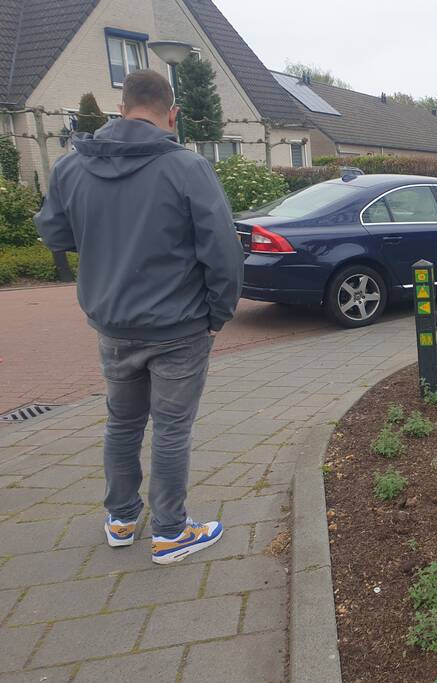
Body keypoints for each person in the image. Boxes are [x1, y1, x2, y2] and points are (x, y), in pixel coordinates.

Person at [34, 70, 244, 565]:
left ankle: (122, 519)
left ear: (121, 108)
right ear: (172, 114)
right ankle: (171, 533)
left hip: (113, 325)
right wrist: (219, 312)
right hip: (180, 326)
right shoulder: (186, 168)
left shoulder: (70, 169)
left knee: (122, 423)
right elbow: (223, 252)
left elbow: (54, 235)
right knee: (171, 428)